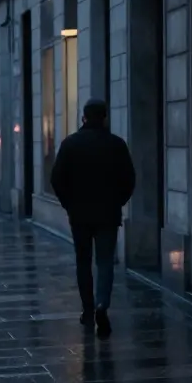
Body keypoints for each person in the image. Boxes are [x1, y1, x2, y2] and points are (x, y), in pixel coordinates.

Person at [50, 99, 135, 331]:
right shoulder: (116, 144)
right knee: (105, 261)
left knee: (83, 261)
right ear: (105, 117)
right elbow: (129, 180)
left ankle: (87, 309)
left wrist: (69, 204)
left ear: (83, 118)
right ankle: (102, 304)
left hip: (79, 214)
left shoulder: (71, 144)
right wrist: (117, 202)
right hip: (108, 213)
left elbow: (56, 178)